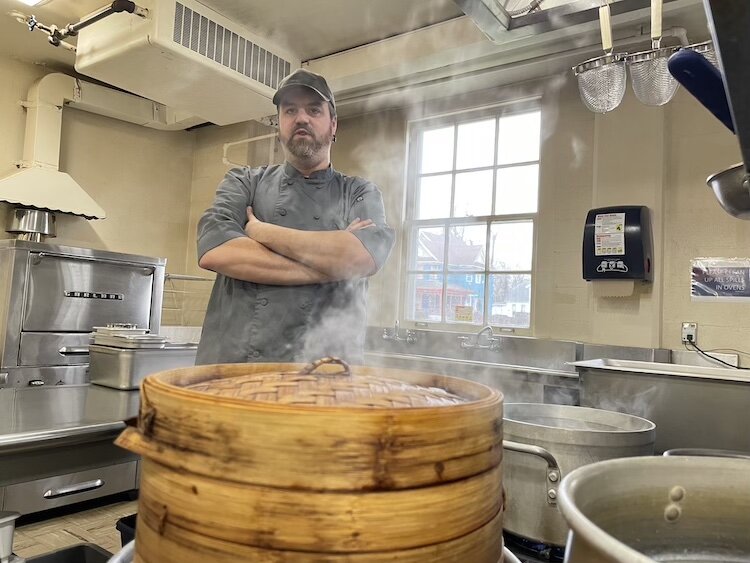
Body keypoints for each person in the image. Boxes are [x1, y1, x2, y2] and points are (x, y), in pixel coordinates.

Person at [195, 68, 395, 365]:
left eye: (314, 110)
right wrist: (328, 268)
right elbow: (215, 252)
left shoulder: (358, 192)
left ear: (333, 125)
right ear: (280, 125)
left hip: (325, 372)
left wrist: (263, 232)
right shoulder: (244, 182)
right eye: (290, 111)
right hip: (237, 370)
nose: (301, 118)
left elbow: (361, 258)